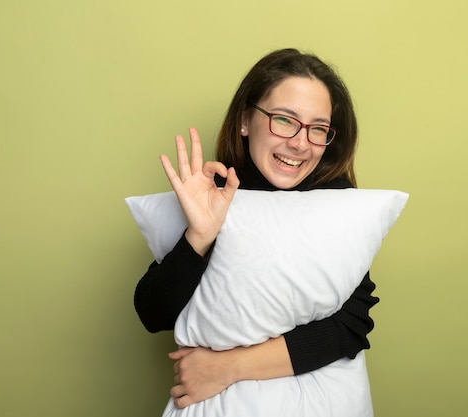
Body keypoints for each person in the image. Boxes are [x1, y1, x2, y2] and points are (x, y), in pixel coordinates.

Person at [134, 48, 379, 410]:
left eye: (318, 129)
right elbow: (152, 314)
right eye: (283, 119)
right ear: (245, 121)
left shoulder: (336, 201)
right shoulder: (214, 194)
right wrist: (199, 236)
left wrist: (226, 368)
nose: (299, 143)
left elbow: (352, 323)